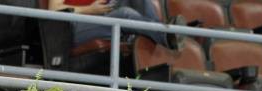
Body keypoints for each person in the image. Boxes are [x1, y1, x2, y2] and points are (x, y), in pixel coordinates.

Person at [47, 0, 185, 51]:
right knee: (124, 13)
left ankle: (160, 30)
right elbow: (53, 9)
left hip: (98, 17)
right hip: (72, 26)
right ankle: (164, 35)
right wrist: (89, 9)